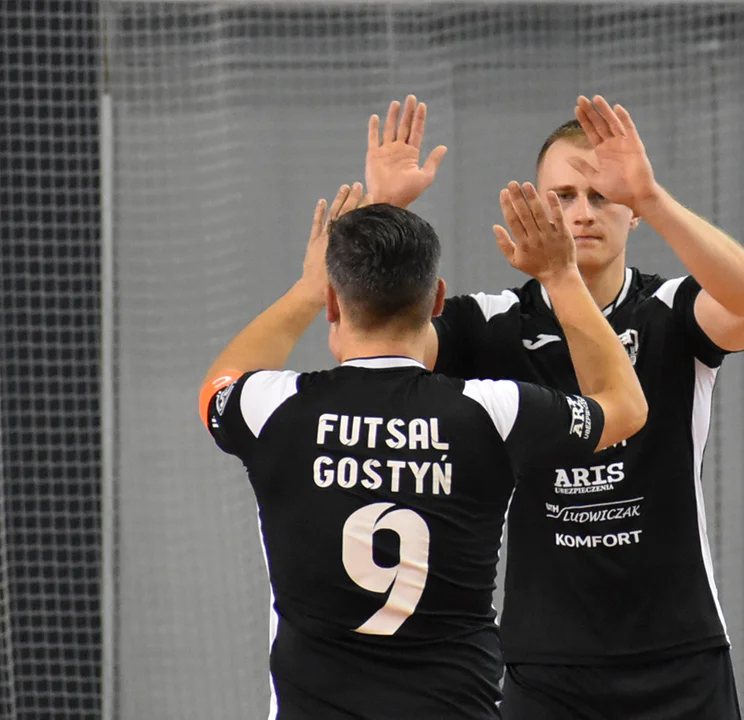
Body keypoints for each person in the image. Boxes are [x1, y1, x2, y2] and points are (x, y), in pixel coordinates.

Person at [364, 94, 744, 719]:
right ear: (534, 204)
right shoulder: (494, 322)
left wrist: (653, 196)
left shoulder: (669, 308)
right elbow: (385, 346)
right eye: (562, 196)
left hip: (679, 654)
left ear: (630, 212)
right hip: (546, 662)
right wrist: (382, 212)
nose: (582, 213)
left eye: (603, 196)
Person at [197, 180, 647, 719]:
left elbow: (218, 386)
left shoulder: (273, 406)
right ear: (437, 301)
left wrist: (307, 288)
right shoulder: (493, 412)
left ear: (334, 303)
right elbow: (625, 408)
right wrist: (561, 276)